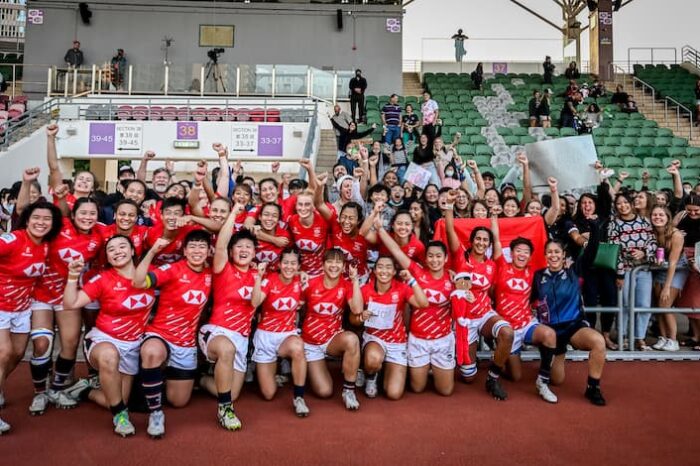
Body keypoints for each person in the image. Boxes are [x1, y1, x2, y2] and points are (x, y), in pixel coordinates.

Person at [62, 235, 156, 436]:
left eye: (122, 246)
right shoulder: (103, 279)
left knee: (116, 399)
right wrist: (72, 276)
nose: (117, 251)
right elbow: (71, 303)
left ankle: (84, 390)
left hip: (133, 345)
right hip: (104, 339)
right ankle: (120, 417)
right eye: (111, 250)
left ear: (133, 251)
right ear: (107, 257)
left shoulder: (150, 276)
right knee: (109, 358)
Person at [131, 230, 213, 438]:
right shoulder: (173, 269)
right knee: (151, 352)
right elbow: (138, 282)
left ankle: (157, 379)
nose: (197, 250)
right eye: (192, 246)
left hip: (185, 343)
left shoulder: (211, 274)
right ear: (184, 250)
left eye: (201, 246)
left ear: (208, 251)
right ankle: (156, 413)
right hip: (161, 333)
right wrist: (151, 252)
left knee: (178, 402)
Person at [28, 195, 102, 414]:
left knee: (70, 342)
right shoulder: (60, 224)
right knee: (42, 343)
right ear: (73, 214)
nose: (87, 217)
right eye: (83, 212)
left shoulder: (98, 235)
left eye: (92, 213)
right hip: (41, 293)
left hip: (68, 295)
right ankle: (40, 392)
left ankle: (57, 388)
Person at [0, 201, 62, 434]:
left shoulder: (45, 246)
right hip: (0, 306)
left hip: (22, 308)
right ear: (27, 219)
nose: (41, 222)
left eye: (47, 219)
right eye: (36, 217)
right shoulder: (13, 239)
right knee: (3, 352)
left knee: (15, 354)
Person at [444, 201, 514, 400]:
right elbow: (450, 231)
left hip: (484, 315)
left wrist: (493, 218)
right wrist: (449, 206)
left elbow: (498, 241)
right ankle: (471, 360)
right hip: (464, 320)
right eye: (478, 239)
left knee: (507, 333)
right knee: (468, 377)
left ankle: (492, 377)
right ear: (472, 241)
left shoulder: (492, 264)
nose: (482, 243)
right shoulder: (461, 258)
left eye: (486, 240)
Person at [376, 224, 455, 396]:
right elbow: (396, 251)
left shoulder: (453, 277)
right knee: (417, 389)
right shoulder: (417, 272)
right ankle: (426, 366)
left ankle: (435, 367)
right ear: (425, 259)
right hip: (418, 340)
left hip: (443, 340)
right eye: (431, 256)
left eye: (439, 256)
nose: (435, 260)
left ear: (445, 258)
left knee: (446, 391)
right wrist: (379, 229)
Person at [532, 228, 608, 406]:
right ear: (545, 255)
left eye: (557, 252)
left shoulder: (575, 271)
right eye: (549, 252)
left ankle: (593, 387)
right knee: (557, 381)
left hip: (574, 325)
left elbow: (591, 252)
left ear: (563, 254)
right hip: (551, 332)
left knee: (598, 342)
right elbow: (529, 300)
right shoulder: (537, 276)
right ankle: (555, 356)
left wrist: (595, 228)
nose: (553, 255)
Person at [197, 206, 257, 431]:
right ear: (231, 252)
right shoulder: (224, 268)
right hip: (217, 331)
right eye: (239, 246)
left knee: (234, 392)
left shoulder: (258, 275)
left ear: (254, 252)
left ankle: (201, 379)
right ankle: (225, 409)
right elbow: (220, 244)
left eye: (248, 247)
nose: (243, 250)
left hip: (242, 337)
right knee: (227, 350)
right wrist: (234, 213)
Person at [489, 213, 559, 403]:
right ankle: (499, 360)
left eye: (526, 252)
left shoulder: (533, 273)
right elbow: (495, 239)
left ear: (530, 256)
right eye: (518, 251)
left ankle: (542, 381)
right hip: (506, 328)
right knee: (516, 377)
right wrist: (493, 217)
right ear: (511, 253)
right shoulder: (501, 265)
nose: (522, 254)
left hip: (526, 324)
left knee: (550, 335)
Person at [353, 255, 428, 400]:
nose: (384, 271)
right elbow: (353, 318)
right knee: (373, 359)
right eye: (380, 267)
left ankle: (382, 372)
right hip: (374, 339)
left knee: (394, 394)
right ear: (374, 270)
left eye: (388, 267)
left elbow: (423, 303)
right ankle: (371, 374)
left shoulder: (402, 288)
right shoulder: (366, 289)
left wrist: (412, 280)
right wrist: (361, 316)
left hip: (396, 343)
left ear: (394, 272)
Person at [301, 248, 363, 409]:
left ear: (343, 267)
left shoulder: (347, 285)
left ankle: (349, 391)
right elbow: (295, 304)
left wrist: (355, 280)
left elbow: (357, 310)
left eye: (338, 262)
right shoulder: (310, 283)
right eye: (330, 261)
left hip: (332, 339)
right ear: (322, 265)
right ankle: (306, 366)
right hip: (310, 343)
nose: (334, 265)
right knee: (324, 391)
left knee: (352, 340)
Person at [250, 250, 310, 416]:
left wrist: (303, 275)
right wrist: (258, 278)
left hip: (286, 336)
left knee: (298, 347)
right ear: (278, 264)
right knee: (269, 394)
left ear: (298, 266)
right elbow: (255, 302)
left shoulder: (301, 282)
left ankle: (299, 397)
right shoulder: (269, 280)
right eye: (285, 263)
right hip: (265, 336)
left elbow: (303, 303)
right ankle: (271, 372)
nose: (288, 267)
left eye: (293, 263)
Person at [608, 193, 657, 351]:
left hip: (643, 268)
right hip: (626, 270)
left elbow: (652, 241)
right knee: (625, 304)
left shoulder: (644, 221)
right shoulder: (614, 224)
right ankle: (623, 336)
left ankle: (639, 338)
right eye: (619, 203)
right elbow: (614, 250)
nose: (623, 206)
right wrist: (620, 273)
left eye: (625, 202)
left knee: (643, 304)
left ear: (631, 203)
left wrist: (644, 253)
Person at [650, 206, 688, 352]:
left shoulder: (676, 235)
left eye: (661, 215)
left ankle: (673, 340)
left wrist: (667, 286)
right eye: (654, 215)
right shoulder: (652, 232)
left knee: (665, 304)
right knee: (658, 305)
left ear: (667, 217)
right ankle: (663, 337)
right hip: (661, 268)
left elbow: (673, 262)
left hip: (677, 268)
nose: (657, 217)